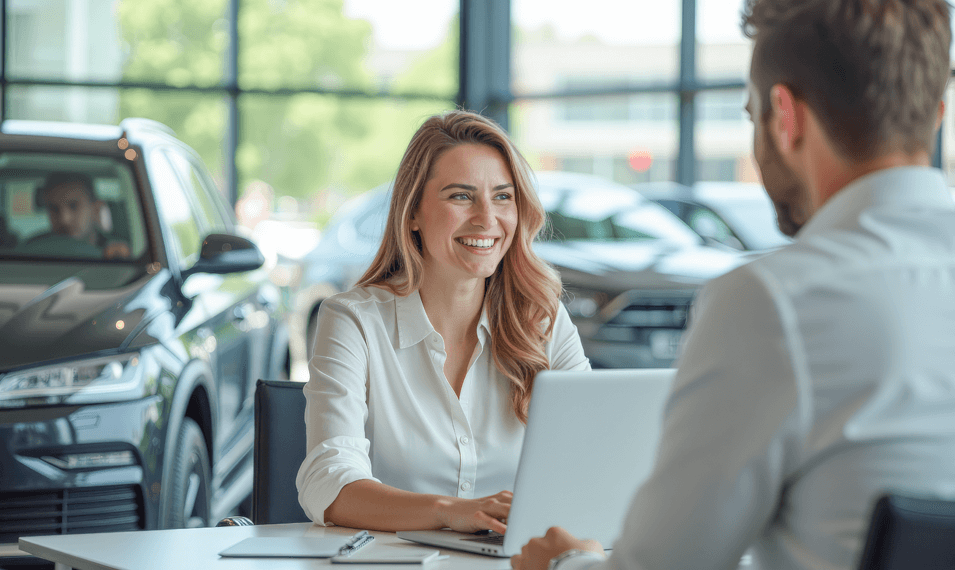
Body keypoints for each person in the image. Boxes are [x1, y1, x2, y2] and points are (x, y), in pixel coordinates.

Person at [511, 1, 955, 570]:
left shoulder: (774, 302)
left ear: (785, 117)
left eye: (750, 117)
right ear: (936, 113)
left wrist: (562, 564)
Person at [296, 110, 590, 532]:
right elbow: (328, 481)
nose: (487, 218)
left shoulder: (542, 319)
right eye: (461, 196)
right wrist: (448, 511)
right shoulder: (353, 321)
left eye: (503, 196)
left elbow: (594, 454)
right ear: (413, 212)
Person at [34, 172, 130, 259]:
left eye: (73, 206)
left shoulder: (118, 252)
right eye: (54, 209)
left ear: (96, 209)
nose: (64, 219)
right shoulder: (33, 249)